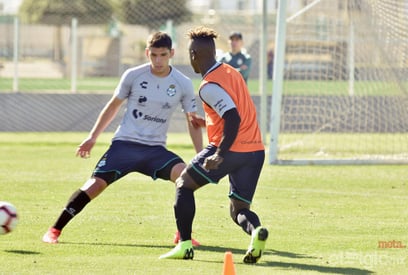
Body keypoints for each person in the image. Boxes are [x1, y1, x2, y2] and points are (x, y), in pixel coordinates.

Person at [42, 32, 203, 246]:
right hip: (124, 145)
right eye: (153, 55)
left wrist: (200, 154)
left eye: (163, 55)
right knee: (94, 185)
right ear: (147, 53)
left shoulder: (182, 83)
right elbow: (112, 107)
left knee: (186, 179)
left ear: (172, 53)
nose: (158, 60)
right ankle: (54, 230)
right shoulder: (133, 75)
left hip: (155, 150)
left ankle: (182, 236)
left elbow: (192, 121)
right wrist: (92, 137)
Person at [160, 26, 268, 264]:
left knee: (183, 184)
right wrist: (206, 122)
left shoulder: (208, 85)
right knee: (238, 209)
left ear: (194, 55)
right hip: (255, 150)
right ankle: (256, 232)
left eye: (190, 54)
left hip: (230, 149)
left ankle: (185, 246)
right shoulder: (231, 72)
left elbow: (232, 117)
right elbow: (232, 109)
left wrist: (220, 153)